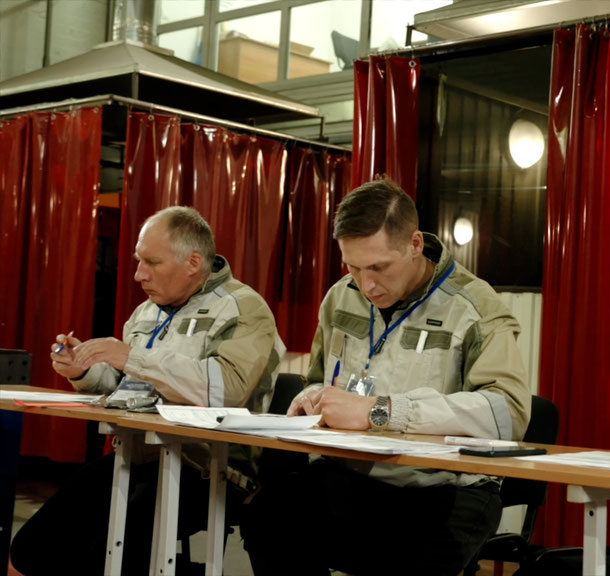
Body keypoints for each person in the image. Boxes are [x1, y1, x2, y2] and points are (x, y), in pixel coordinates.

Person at [241, 177, 532, 576]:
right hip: (351, 475)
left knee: (406, 559)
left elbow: (507, 414)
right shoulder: (341, 296)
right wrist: (313, 397)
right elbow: (318, 378)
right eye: (353, 266)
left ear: (415, 244)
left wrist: (381, 411)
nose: (367, 285)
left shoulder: (475, 307)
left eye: (379, 267)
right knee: (268, 517)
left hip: (441, 490)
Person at [11, 206, 284, 575]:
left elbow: (226, 389)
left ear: (192, 263)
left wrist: (131, 356)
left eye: (151, 262)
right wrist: (84, 371)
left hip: (208, 470)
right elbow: (126, 388)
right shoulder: (147, 312)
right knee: (31, 550)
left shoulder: (243, 308)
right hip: (138, 458)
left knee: (103, 556)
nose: (139, 274)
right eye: (139, 261)